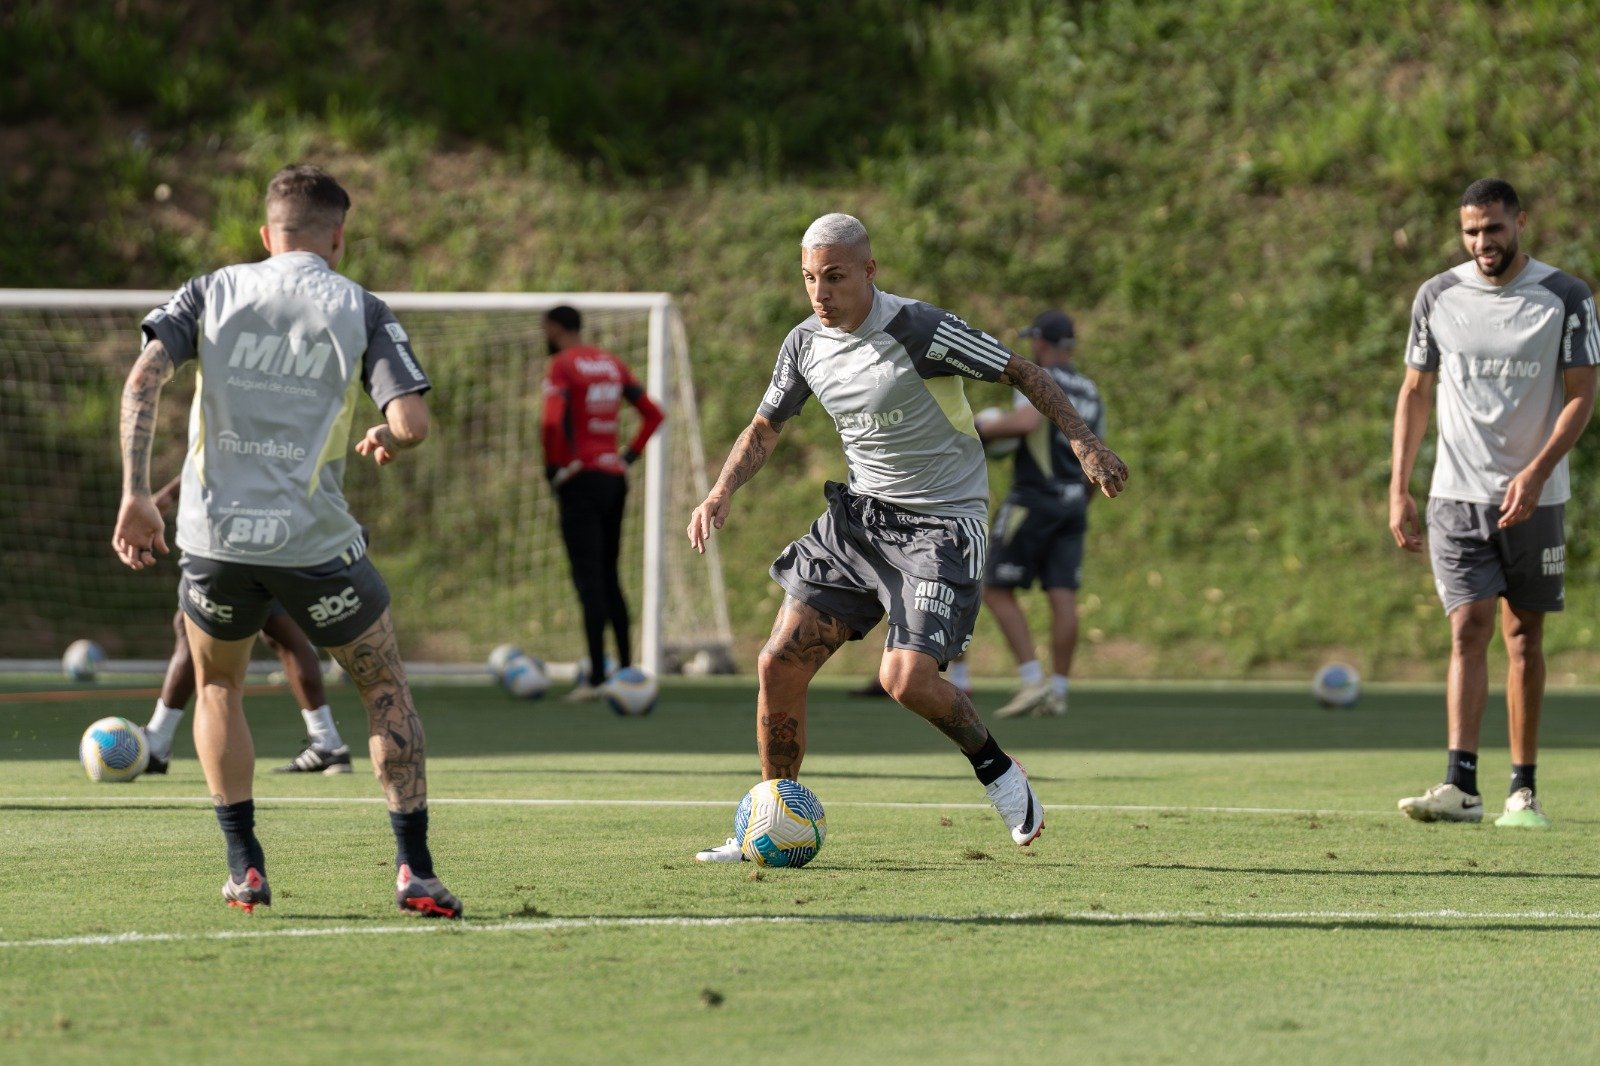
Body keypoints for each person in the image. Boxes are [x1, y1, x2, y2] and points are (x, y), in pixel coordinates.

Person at [687, 213, 1127, 861]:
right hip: (861, 519)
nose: (820, 293)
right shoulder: (805, 343)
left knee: (906, 679)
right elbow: (764, 428)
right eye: (810, 278)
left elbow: (1026, 373)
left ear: (869, 271)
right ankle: (770, 815)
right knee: (778, 663)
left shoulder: (921, 330)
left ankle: (1000, 772)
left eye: (834, 277)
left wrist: (1086, 444)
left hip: (942, 524)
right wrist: (721, 490)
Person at [112, 163, 461, 916]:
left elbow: (143, 380)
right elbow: (412, 424)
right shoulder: (359, 306)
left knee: (216, 686)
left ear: (266, 235)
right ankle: (416, 873)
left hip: (216, 540)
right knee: (383, 687)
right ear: (337, 237)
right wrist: (388, 440)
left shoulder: (210, 290)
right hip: (313, 543)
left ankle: (246, 869)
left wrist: (138, 497)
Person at [1390, 177, 1598, 829]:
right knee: (1467, 626)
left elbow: (1581, 395)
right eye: (1472, 231)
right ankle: (1460, 785)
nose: (1483, 242)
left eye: (1494, 228)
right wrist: (1399, 485)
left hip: (1537, 497)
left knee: (1522, 637)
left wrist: (1536, 473)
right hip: (1455, 493)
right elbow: (1415, 392)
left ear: (1520, 223)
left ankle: (1523, 788)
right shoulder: (1438, 296)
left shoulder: (1566, 296)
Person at [140, 476, 352, 775]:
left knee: (193, 626)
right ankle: (328, 741)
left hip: (242, 529)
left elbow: (211, 452)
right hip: (276, 524)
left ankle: (158, 742)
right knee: (279, 632)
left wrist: (165, 496)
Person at [979, 309, 1105, 719]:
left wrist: (971, 429)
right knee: (1062, 594)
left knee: (994, 587)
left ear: (1043, 343)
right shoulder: (1090, 390)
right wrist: (1078, 502)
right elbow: (1095, 453)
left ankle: (1032, 680)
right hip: (1074, 502)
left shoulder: (1036, 377)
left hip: (1034, 499)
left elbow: (1024, 422)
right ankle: (1060, 692)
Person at [540, 305, 665, 700]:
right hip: (614, 478)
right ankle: (627, 671)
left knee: (588, 578)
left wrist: (554, 469)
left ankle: (596, 678)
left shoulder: (563, 365)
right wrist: (629, 455)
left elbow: (551, 421)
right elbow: (652, 414)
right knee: (610, 574)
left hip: (579, 479)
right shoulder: (610, 363)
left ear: (555, 329)